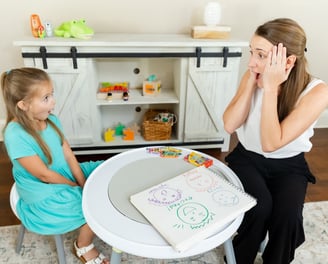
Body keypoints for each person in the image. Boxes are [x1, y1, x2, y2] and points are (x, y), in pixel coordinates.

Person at [223, 18, 328, 264]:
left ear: (288, 61)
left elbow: (272, 143)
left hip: (289, 165)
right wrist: (252, 81)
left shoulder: (317, 92)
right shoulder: (253, 75)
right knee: (259, 208)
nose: (251, 62)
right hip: (247, 159)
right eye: (252, 52)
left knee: (288, 216)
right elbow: (229, 125)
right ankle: (238, 258)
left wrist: (270, 89)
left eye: (261, 55)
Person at [1, 68, 110, 264]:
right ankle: (83, 245)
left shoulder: (51, 120)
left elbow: (68, 154)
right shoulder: (14, 135)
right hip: (43, 192)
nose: (53, 102)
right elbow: (44, 175)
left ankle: (92, 202)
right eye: (46, 98)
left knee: (106, 172)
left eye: (52, 94)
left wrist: (83, 182)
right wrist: (77, 188)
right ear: (24, 105)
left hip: (62, 174)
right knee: (97, 203)